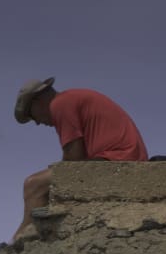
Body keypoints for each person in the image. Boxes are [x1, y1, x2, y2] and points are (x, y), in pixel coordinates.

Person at [8, 77, 148, 244]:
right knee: (49, 180)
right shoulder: (72, 98)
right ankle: (25, 235)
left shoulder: (60, 104)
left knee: (34, 184)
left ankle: (20, 240)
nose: (38, 123)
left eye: (33, 115)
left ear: (38, 101)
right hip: (120, 158)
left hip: (118, 160)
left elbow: (73, 159)